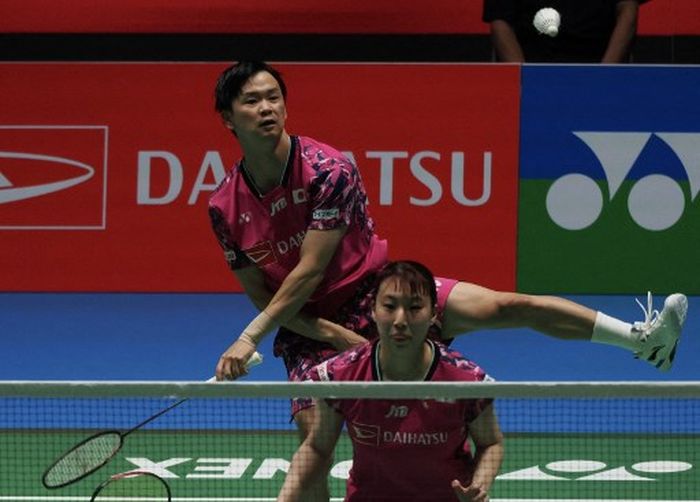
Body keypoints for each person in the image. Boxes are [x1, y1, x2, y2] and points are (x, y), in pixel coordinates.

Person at [208, 60, 686, 499]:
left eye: (274, 96)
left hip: (379, 294)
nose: (267, 108)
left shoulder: (328, 170)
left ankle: (642, 341)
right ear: (228, 118)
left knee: (507, 306)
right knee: (317, 443)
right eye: (252, 101)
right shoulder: (224, 207)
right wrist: (329, 334)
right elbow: (265, 296)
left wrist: (249, 338)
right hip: (307, 328)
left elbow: (310, 269)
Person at [277, 261, 504, 502]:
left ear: (433, 315)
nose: (400, 320)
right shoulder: (340, 376)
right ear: (373, 311)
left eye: (415, 307)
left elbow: (490, 443)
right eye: (389, 306)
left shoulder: (467, 381)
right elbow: (317, 448)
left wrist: (479, 486)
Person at [482, 0, 649, 63]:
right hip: (533, 65)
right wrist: (524, 79)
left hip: (598, 65)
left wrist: (604, 75)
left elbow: (628, 10)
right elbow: (500, 22)